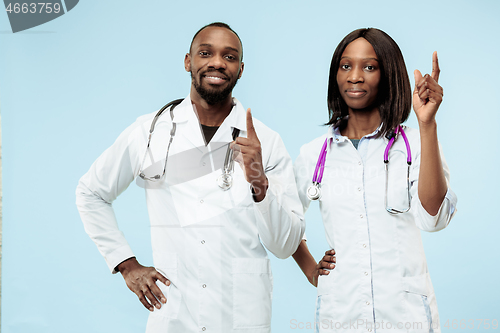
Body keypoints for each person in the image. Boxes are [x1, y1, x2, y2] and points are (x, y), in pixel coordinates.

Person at [76, 22, 304, 333]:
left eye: (230, 56)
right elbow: (91, 192)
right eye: (205, 53)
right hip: (174, 314)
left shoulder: (265, 141)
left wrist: (258, 180)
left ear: (240, 69)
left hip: (242, 318)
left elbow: (284, 244)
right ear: (188, 61)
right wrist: (126, 264)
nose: (217, 63)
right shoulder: (149, 131)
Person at [292, 28, 457, 333]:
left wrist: (427, 124)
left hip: (404, 317)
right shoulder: (314, 154)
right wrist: (310, 269)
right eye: (345, 66)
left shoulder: (416, 144)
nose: (355, 76)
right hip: (342, 314)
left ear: (388, 75)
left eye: (369, 67)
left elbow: (434, 219)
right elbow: (283, 221)